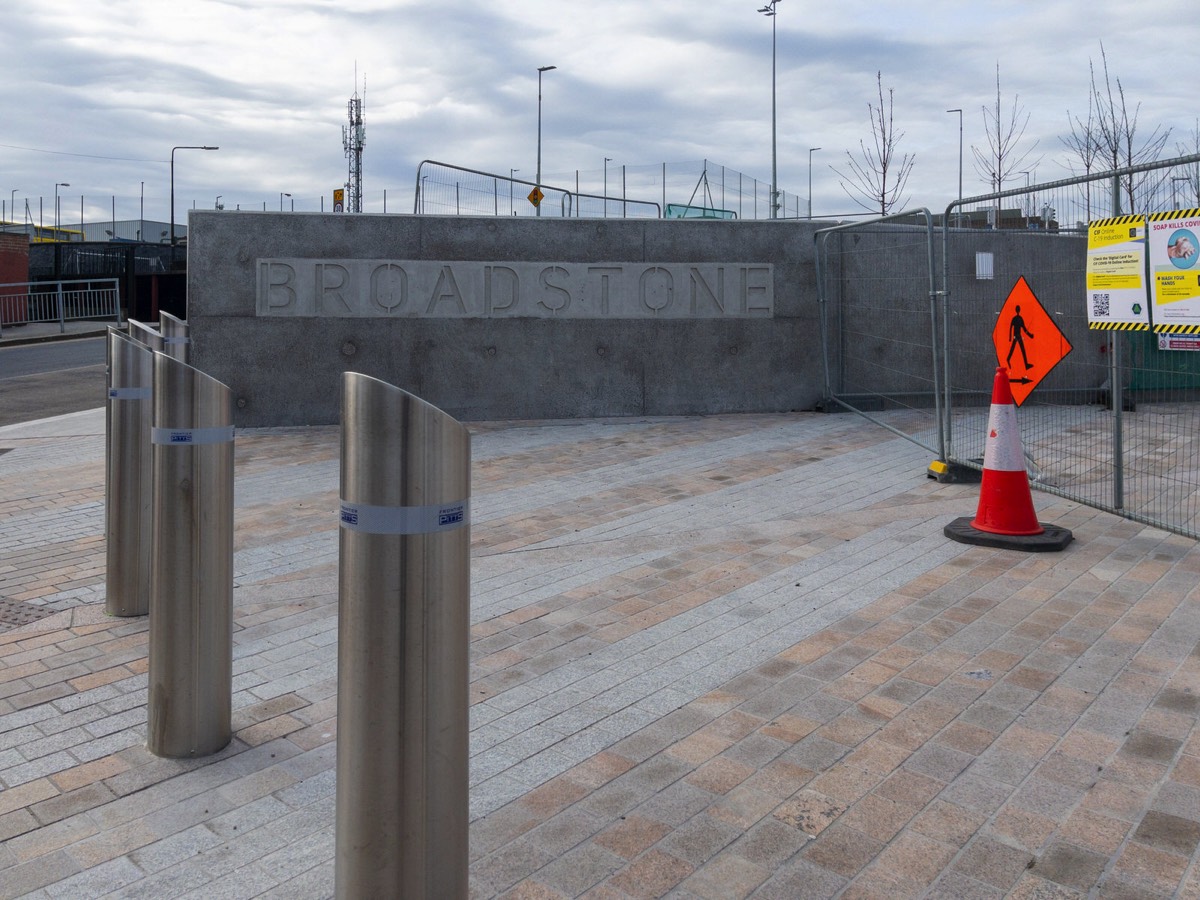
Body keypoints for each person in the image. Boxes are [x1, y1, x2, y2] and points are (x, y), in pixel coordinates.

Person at [1007, 305, 1034, 370]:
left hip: (1016, 336)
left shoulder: (1016, 318)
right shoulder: (1019, 318)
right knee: (1022, 350)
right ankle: (1026, 365)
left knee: (1014, 349)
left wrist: (1010, 337)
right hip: (1018, 336)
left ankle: (1008, 359)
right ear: (1019, 310)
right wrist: (1030, 335)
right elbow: (1024, 329)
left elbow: (1013, 328)